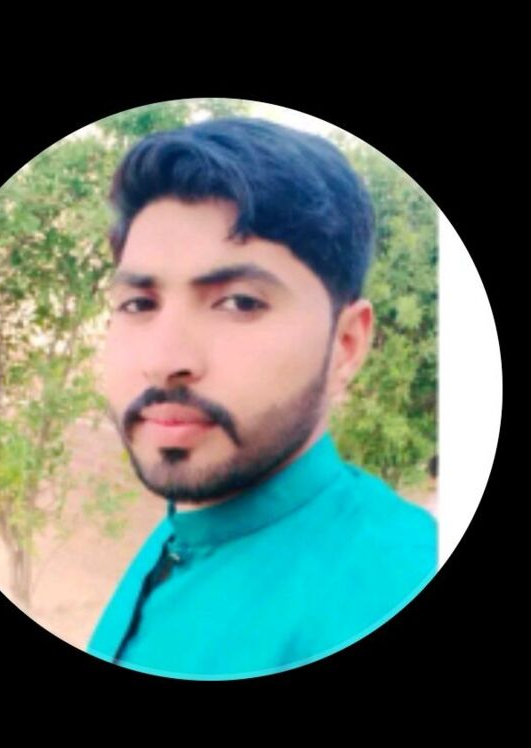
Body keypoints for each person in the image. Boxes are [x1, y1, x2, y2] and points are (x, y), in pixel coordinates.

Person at [86, 116, 437, 680]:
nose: (164, 359)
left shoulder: (400, 580)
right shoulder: (185, 530)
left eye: (240, 303)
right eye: (139, 304)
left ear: (345, 345)